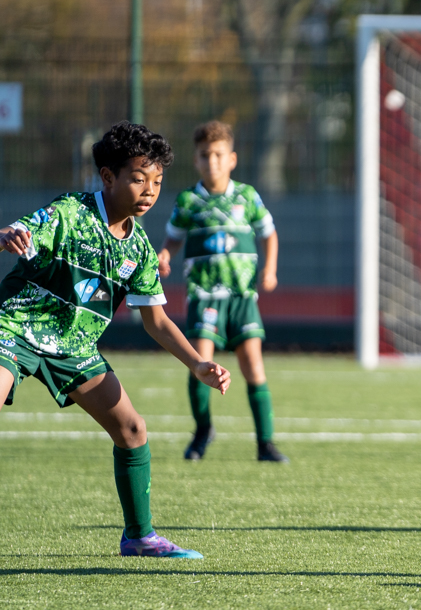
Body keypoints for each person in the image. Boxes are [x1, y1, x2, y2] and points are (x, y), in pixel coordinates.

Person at [0, 121, 231, 558]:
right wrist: (5, 236)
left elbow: (157, 321)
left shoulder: (139, 249)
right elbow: (21, 232)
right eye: (138, 178)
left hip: (73, 347)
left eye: (157, 181)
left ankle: (140, 537)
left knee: (132, 430)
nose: (149, 190)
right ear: (108, 177)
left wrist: (198, 363)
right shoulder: (71, 212)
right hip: (15, 327)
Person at [157, 120, 287, 463]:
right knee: (200, 363)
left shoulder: (247, 197)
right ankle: (202, 431)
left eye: (218, 154)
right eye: (204, 155)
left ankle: (266, 444)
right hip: (204, 296)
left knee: (253, 368)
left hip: (242, 297)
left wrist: (270, 270)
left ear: (231, 159)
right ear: (196, 160)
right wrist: (165, 253)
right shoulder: (188, 200)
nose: (211, 161)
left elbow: (269, 234)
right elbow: (173, 236)